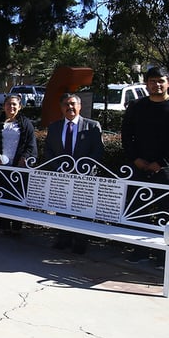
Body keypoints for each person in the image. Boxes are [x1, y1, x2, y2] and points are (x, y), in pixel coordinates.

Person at [121, 66, 169, 261]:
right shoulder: (136, 106)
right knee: (138, 210)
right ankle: (140, 249)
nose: (156, 85)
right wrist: (135, 158)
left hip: (165, 169)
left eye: (161, 81)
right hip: (139, 166)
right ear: (146, 84)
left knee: (166, 210)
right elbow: (127, 135)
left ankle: (163, 254)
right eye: (152, 81)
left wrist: (162, 162)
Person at [43, 93, 103, 254]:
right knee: (62, 208)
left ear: (79, 106)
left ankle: (81, 242)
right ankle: (63, 238)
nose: (69, 107)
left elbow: (98, 152)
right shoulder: (54, 127)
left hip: (84, 177)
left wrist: (82, 168)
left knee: (83, 211)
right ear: (61, 108)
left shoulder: (92, 126)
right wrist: (58, 168)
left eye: (72, 104)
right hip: (61, 176)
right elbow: (48, 151)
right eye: (65, 105)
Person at [0, 94, 37, 235]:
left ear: (19, 107)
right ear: (4, 106)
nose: (11, 107)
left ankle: (17, 228)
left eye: (14, 104)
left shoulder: (26, 124)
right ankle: (5, 227)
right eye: (8, 104)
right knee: (3, 197)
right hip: (1, 167)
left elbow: (31, 145)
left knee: (18, 197)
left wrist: (25, 157)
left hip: (18, 168)